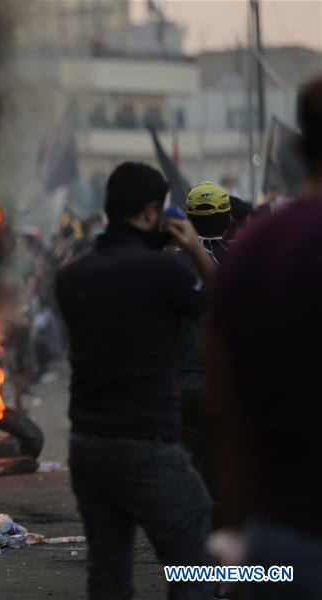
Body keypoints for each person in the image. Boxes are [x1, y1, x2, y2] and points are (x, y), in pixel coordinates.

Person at [55, 162, 217, 600]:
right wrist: (198, 251)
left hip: (88, 444)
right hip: (146, 439)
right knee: (193, 559)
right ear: (151, 212)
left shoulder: (71, 275)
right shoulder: (167, 273)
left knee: (108, 573)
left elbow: (74, 348)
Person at [205, 74, 322, 599]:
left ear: (299, 148)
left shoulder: (254, 249)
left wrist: (233, 546)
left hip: (283, 543)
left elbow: (226, 416)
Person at [174, 182, 233, 484]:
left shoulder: (170, 264)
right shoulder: (242, 259)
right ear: (229, 219)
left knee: (183, 474)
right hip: (230, 389)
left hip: (179, 388)